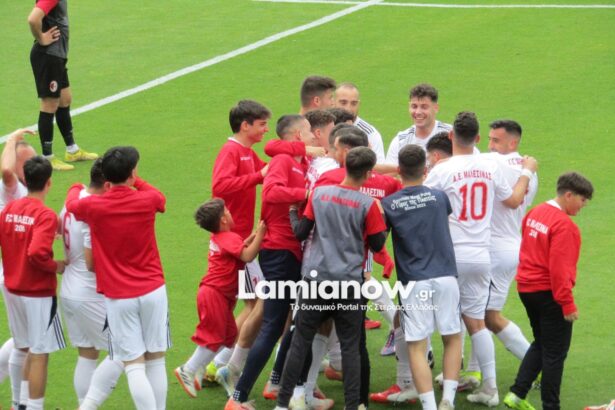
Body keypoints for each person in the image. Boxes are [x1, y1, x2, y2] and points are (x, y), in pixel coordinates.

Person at [424, 111, 537, 406]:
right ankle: (489, 387)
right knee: (477, 323)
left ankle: (432, 387)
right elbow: (513, 200)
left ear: (451, 136)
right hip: (481, 255)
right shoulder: (489, 167)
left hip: (450, 255)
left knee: (445, 321)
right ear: (476, 138)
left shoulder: (443, 169)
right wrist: (526, 172)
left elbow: (423, 204)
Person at [274, 147, 387, 410]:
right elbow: (378, 243)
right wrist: (381, 216)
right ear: (369, 174)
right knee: (350, 348)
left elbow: (301, 232)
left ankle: (281, 405)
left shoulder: (319, 194)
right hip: (348, 283)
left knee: (300, 342)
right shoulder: (368, 204)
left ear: (345, 166)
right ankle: (352, 406)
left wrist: (292, 213)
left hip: (315, 280)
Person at [66, 146, 170, 410]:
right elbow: (160, 199)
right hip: (153, 290)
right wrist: (137, 181)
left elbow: (71, 204)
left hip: (118, 296)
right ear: (132, 172)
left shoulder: (93, 206)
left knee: (133, 364)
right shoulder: (147, 200)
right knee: (156, 360)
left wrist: (75, 186)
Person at [225, 115, 314, 410]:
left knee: (292, 322)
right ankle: (238, 398)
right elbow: (272, 192)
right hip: (279, 252)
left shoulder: (298, 161)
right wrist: (306, 195)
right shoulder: (282, 162)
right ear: (297, 134)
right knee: (274, 324)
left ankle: (278, 383)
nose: (313, 137)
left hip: (290, 252)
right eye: (309, 132)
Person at [503, 172, 593, 410]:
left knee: (542, 343)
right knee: (555, 353)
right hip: (549, 294)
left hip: (527, 288)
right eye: (582, 200)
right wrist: (567, 303)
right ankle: (550, 406)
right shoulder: (565, 226)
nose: (584, 205)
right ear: (569, 195)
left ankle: (517, 394)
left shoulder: (536, 212)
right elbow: (560, 269)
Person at [382, 144, 462, 410]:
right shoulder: (439, 197)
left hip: (414, 281)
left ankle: (429, 406)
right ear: (425, 169)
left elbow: (379, 238)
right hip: (446, 276)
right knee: (452, 337)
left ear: (399, 170)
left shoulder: (389, 204)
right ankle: (448, 399)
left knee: (416, 346)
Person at [462, 120, 538, 390]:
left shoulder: (492, 163)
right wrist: (528, 168)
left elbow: (463, 157)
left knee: (489, 318)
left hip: (493, 251)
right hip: (511, 246)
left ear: (512, 143)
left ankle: (535, 366)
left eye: (496, 140)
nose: (490, 145)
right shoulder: (530, 173)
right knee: (477, 313)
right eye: (490, 139)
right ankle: (474, 373)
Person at [174, 199, 266, 398]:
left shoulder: (221, 238)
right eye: (228, 211)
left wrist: (253, 235)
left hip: (216, 294)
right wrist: (262, 234)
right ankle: (188, 369)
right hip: (215, 294)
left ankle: (200, 368)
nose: (231, 213)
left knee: (229, 336)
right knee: (214, 337)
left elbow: (239, 248)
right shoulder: (228, 237)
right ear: (224, 219)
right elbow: (247, 256)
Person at [209, 100, 271, 384]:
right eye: (262, 124)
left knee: (252, 304)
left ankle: (216, 363)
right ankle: (216, 364)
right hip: (237, 244)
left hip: (243, 239)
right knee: (259, 303)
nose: (266, 130)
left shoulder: (247, 152)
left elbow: (267, 171)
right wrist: (257, 176)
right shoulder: (231, 151)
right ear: (245, 126)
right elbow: (219, 186)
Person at [0, 156, 66, 410]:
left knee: (21, 346)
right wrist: (55, 266)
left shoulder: (9, 209)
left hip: (12, 288)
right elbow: (37, 253)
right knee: (39, 353)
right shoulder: (45, 215)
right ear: (49, 182)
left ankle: (19, 403)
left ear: (25, 180)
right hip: (36, 292)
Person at [59, 159, 125, 410]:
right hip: (89, 293)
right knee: (125, 350)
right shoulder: (92, 211)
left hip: (69, 290)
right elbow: (92, 263)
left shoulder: (73, 202)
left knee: (87, 353)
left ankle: (82, 404)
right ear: (107, 184)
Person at [28, 0, 98, 171]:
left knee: (65, 99)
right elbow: (33, 19)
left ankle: (72, 150)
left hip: (57, 56)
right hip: (48, 56)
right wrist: (41, 38)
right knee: (50, 103)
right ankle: (47, 157)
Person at [0, 129, 36, 409]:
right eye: (29, 162)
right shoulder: (13, 188)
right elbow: (6, 172)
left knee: (24, 337)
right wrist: (11, 139)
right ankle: (18, 404)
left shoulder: (18, 190)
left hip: (13, 270)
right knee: (28, 342)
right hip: (15, 274)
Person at [385, 84, 452, 167]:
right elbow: (389, 173)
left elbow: (465, 163)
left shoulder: (451, 135)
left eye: (424, 107)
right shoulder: (400, 141)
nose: (418, 112)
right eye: (414, 106)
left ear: (436, 108)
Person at [334, 83, 386, 163]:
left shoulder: (370, 134)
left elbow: (378, 165)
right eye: (343, 103)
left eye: (354, 103)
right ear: (333, 103)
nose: (348, 109)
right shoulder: (324, 126)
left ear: (359, 104)